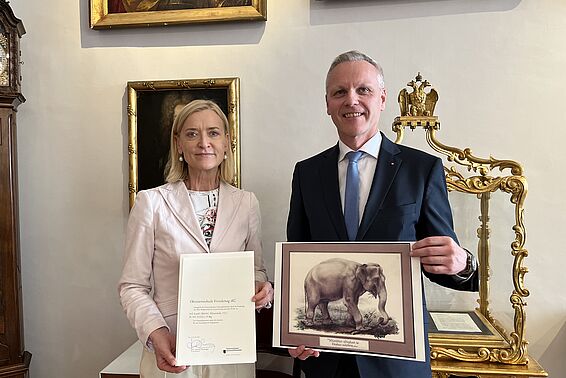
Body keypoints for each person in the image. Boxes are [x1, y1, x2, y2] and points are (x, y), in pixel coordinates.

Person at [286, 50, 479, 378]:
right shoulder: (307, 173)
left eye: (363, 90)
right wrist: (293, 331)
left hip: (396, 362)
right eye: (339, 92)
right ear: (328, 104)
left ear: (383, 98)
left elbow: (442, 263)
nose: (351, 100)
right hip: (325, 360)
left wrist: (463, 264)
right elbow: (298, 259)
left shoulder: (422, 170)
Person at [119, 99, 273, 377]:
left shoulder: (247, 203)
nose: (204, 142)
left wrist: (263, 289)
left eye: (213, 133)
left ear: (227, 141)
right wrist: (156, 331)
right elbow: (132, 286)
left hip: (231, 353)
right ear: (178, 143)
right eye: (192, 134)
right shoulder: (151, 202)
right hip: (173, 350)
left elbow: (256, 270)